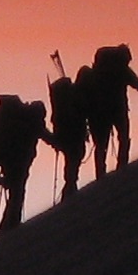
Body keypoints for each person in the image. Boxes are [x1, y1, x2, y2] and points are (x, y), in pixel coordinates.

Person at [85, 44, 138, 174]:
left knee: (101, 145)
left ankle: (101, 175)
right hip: (119, 110)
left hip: (100, 113)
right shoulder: (123, 71)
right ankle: (122, 168)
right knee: (123, 139)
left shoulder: (97, 73)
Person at [0, 93, 48, 238]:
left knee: (15, 192)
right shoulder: (32, 121)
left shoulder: (14, 120)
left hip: (7, 159)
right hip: (19, 161)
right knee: (17, 192)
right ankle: (11, 227)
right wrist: (62, 144)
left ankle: (8, 228)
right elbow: (47, 137)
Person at [45, 64, 92, 200]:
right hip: (74, 135)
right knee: (74, 159)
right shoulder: (77, 95)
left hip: (64, 135)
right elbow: (83, 112)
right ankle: (70, 188)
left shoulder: (69, 96)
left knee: (71, 160)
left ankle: (70, 187)